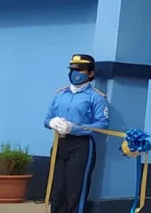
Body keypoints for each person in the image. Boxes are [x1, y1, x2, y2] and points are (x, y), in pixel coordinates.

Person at [44, 54, 109, 213]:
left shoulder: (96, 97)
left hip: (81, 146)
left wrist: (74, 128)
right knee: (57, 188)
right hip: (60, 143)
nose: (75, 73)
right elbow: (47, 119)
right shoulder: (60, 94)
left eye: (80, 70)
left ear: (90, 73)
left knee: (75, 189)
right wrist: (51, 123)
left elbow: (102, 125)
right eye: (73, 69)